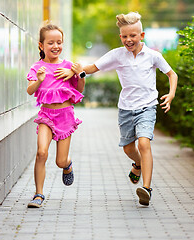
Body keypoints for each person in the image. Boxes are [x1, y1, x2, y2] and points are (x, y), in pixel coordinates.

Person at [55, 12, 178, 206]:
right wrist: (75, 70)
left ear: (142, 36)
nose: (129, 40)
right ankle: (137, 164)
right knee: (129, 148)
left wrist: (170, 94)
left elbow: (172, 74)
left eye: (133, 36)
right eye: (125, 36)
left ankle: (146, 189)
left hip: (147, 107)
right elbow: (93, 67)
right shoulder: (117, 55)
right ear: (120, 37)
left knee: (144, 143)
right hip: (126, 109)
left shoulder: (153, 56)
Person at [26, 23, 86, 208]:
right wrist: (40, 80)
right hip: (46, 115)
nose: (55, 46)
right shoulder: (38, 67)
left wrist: (79, 75)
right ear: (41, 45)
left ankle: (67, 164)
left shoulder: (68, 66)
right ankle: (39, 194)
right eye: (50, 42)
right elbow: (30, 90)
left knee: (60, 161)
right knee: (41, 153)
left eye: (59, 42)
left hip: (65, 116)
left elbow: (79, 90)